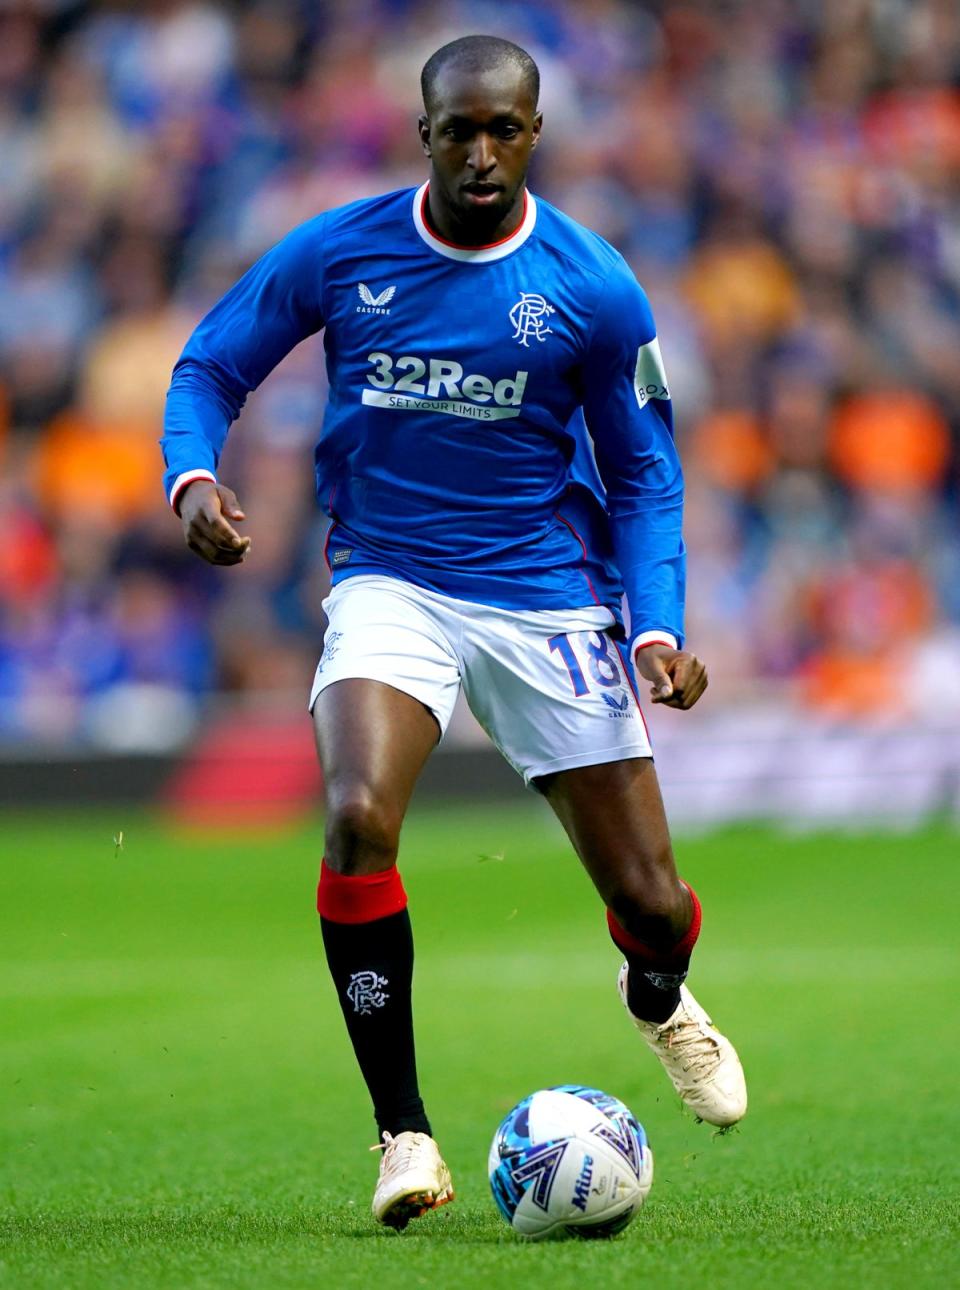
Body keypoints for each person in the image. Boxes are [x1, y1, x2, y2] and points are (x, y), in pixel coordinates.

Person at [161, 34, 747, 1231]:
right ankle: (403, 1132)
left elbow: (645, 476)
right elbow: (210, 364)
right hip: (391, 583)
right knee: (357, 816)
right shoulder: (342, 249)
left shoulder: (591, 284)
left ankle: (659, 992)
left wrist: (657, 628)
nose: (481, 154)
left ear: (535, 133)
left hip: (547, 595)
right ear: (422, 133)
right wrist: (189, 476)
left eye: (504, 132)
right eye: (457, 132)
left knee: (651, 899)